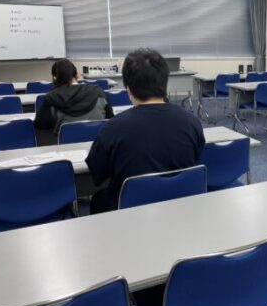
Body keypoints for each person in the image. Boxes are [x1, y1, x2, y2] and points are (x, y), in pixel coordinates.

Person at [86, 48, 205, 214]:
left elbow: (97, 174)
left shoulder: (112, 128)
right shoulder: (192, 122)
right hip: (180, 208)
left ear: (129, 89)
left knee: (98, 199)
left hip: (129, 214)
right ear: (165, 83)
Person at [34, 59, 113, 145]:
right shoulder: (98, 92)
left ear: (55, 78)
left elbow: (40, 125)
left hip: (65, 148)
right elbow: (110, 119)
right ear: (77, 75)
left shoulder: (51, 98)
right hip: (98, 146)